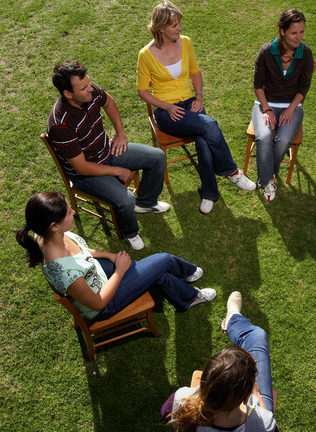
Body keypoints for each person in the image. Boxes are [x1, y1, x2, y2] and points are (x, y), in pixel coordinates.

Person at [15, 192, 216, 320]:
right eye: (69, 212)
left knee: (155, 271)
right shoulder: (65, 272)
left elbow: (83, 253)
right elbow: (98, 303)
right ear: (54, 226)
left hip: (95, 274)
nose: (74, 212)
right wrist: (119, 271)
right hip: (104, 303)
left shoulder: (45, 235)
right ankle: (188, 275)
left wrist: (109, 255)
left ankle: (187, 297)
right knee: (163, 260)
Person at [137, 1, 256, 215]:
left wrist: (199, 97)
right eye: (174, 25)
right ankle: (231, 171)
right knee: (210, 125)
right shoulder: (145, 55)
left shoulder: (186, 43)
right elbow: (142, 91)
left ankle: (210, 194)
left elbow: (195, 72)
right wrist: (167, 107)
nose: (179, 28)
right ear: (161, 27)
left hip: (190, 103)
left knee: (203, 139)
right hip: (167, 112)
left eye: (179, 23)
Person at [48, 61, 169, 251]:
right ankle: (130, 232)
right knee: (126, 200)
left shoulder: (91, 92)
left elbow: (109, 102)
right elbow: (82, 167)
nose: (91, 89)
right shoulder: (61, 125)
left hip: (107, 151)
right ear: (68, 94)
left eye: (89, 84)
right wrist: (118, 171)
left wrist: (121, 133)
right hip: (86, 174)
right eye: (84, 88)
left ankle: (145, 203)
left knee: (157, 157)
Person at [166, 292, 277, 432]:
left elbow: (166, 412)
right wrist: (257, 396)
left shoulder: (181, 399)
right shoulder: (263, 425)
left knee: (257, 336)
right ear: (245, 399)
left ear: (203, 385)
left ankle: (232, 319)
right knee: (257, 336)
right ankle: (232, 319)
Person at [251, 8, 315, 201]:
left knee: (283, 141)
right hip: (265, 103)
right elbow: (257, 85)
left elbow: (304, 87)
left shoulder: (306, 53)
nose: (299, 37)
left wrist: (290, 109)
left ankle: (267, 174)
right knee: (263, 137)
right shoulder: (266, 51)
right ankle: (268, 178)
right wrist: (267, 110)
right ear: (282, 31)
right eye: (294, 33)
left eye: (302, 31)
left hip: (293, 106)